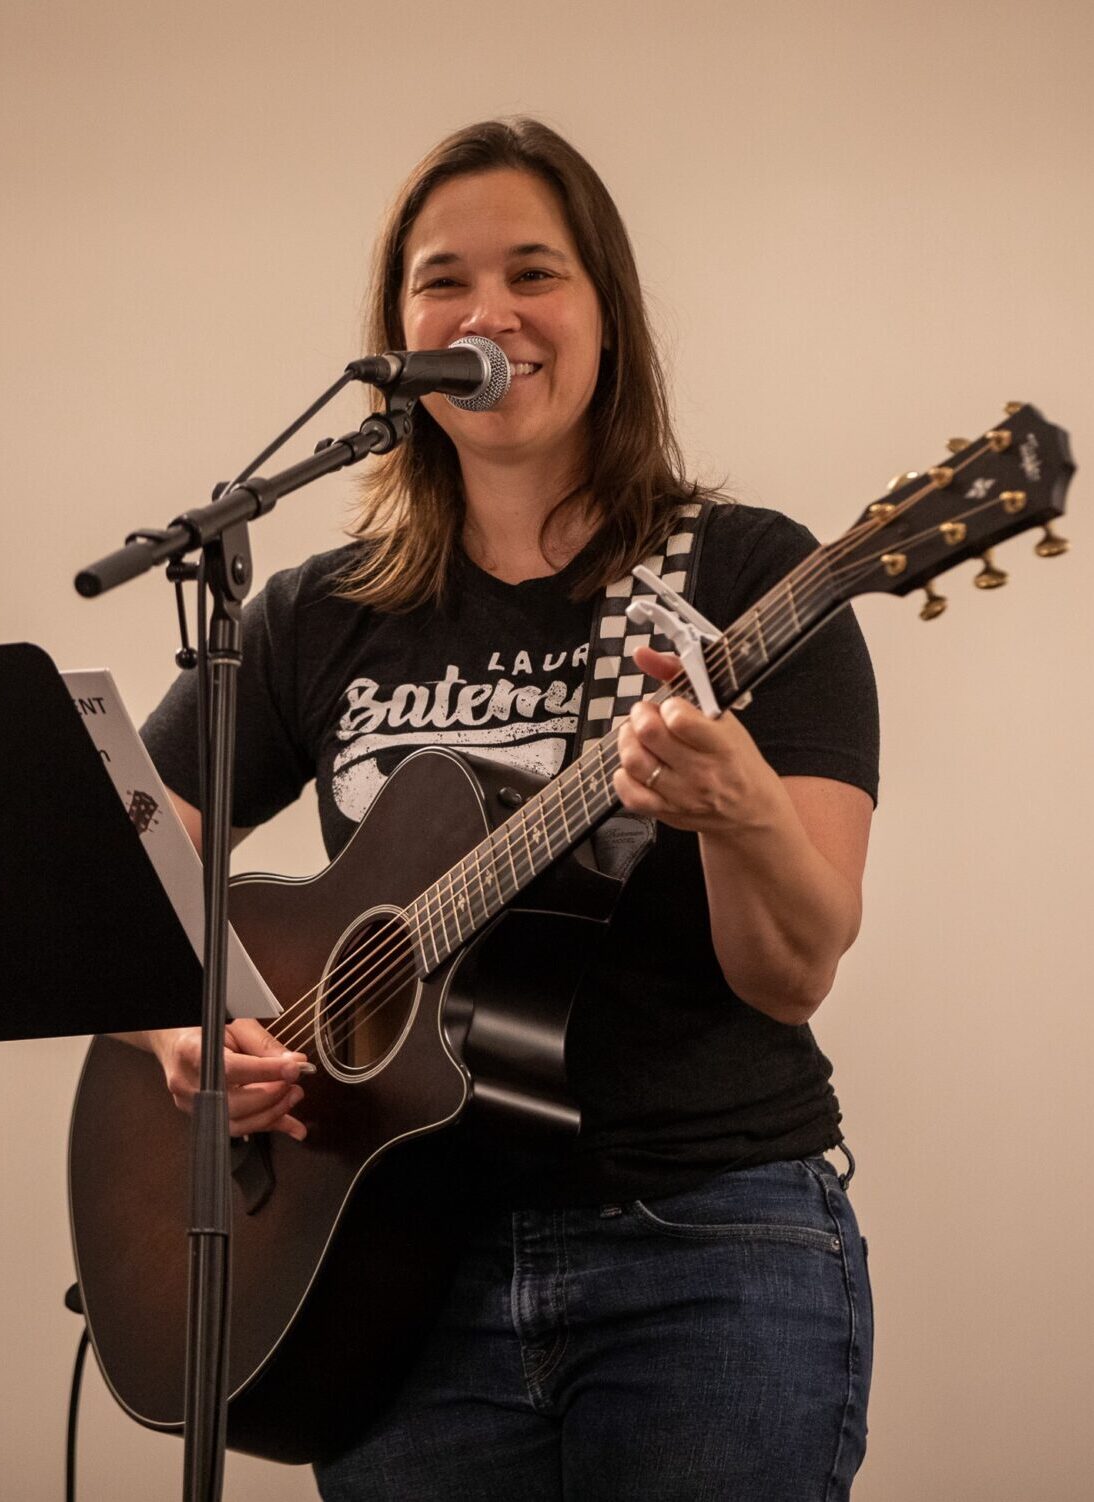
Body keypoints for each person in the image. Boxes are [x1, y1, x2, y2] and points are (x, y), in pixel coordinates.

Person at [134, 117, 877, 1500]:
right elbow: (116, 860)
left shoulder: (751, 579)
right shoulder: (316, 612)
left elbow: (793, 968)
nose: (488, 312)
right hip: (389, 1262)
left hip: (704, 1247)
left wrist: (736, 807)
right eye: (441, 280)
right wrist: (182, 1023)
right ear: (397, 327)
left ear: (606, 313)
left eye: (533, 272)